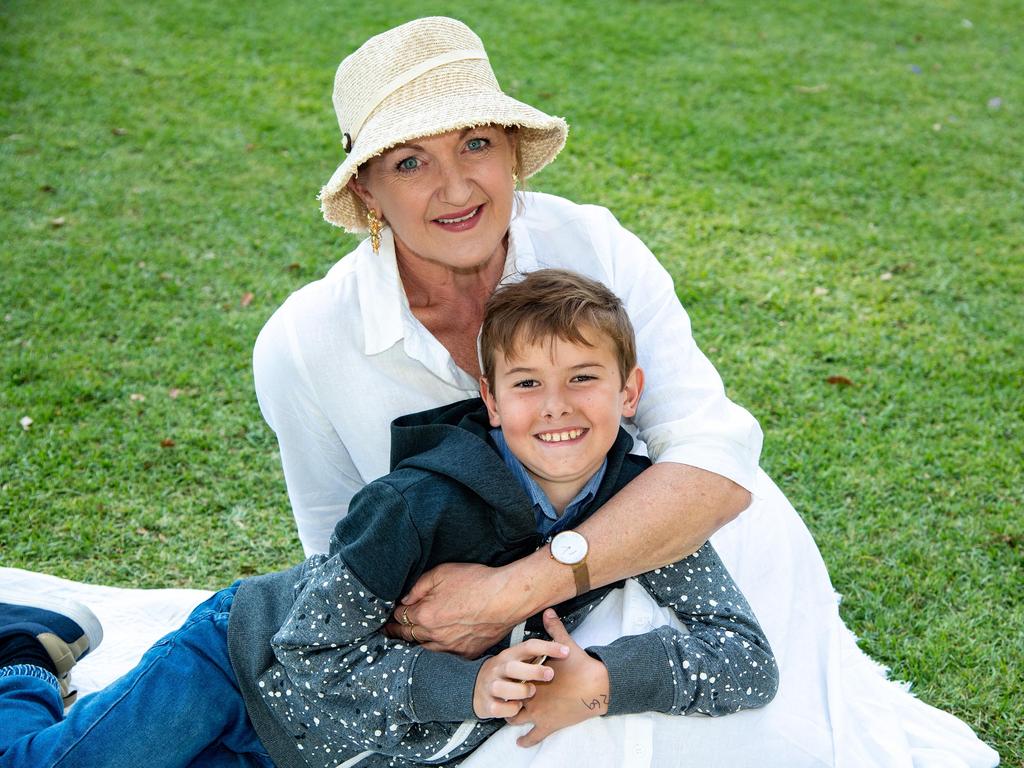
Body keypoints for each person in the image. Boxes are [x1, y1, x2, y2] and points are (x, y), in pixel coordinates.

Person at [250, 17, 1001, 768]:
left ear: (513, 151)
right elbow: (335, 554)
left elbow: (715, 457)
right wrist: (465, 649)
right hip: (474, 632)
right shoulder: (303, 343)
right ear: (367, 190)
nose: (455, 187)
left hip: (655, 543)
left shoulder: (596, 245)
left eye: (476, 143)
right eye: (410, 162)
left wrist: (521, 588)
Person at [0, 270, 778, 768]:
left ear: (630, 391)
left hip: (320, 749)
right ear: (492, 402)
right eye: (528, 384)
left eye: (584, 378)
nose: (558, 408)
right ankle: (22, 655)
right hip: (237, 670)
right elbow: (305, 655)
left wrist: (603, 680)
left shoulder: (636, 516)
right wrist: (469, 687)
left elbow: (748, 662)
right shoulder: (418, 502)